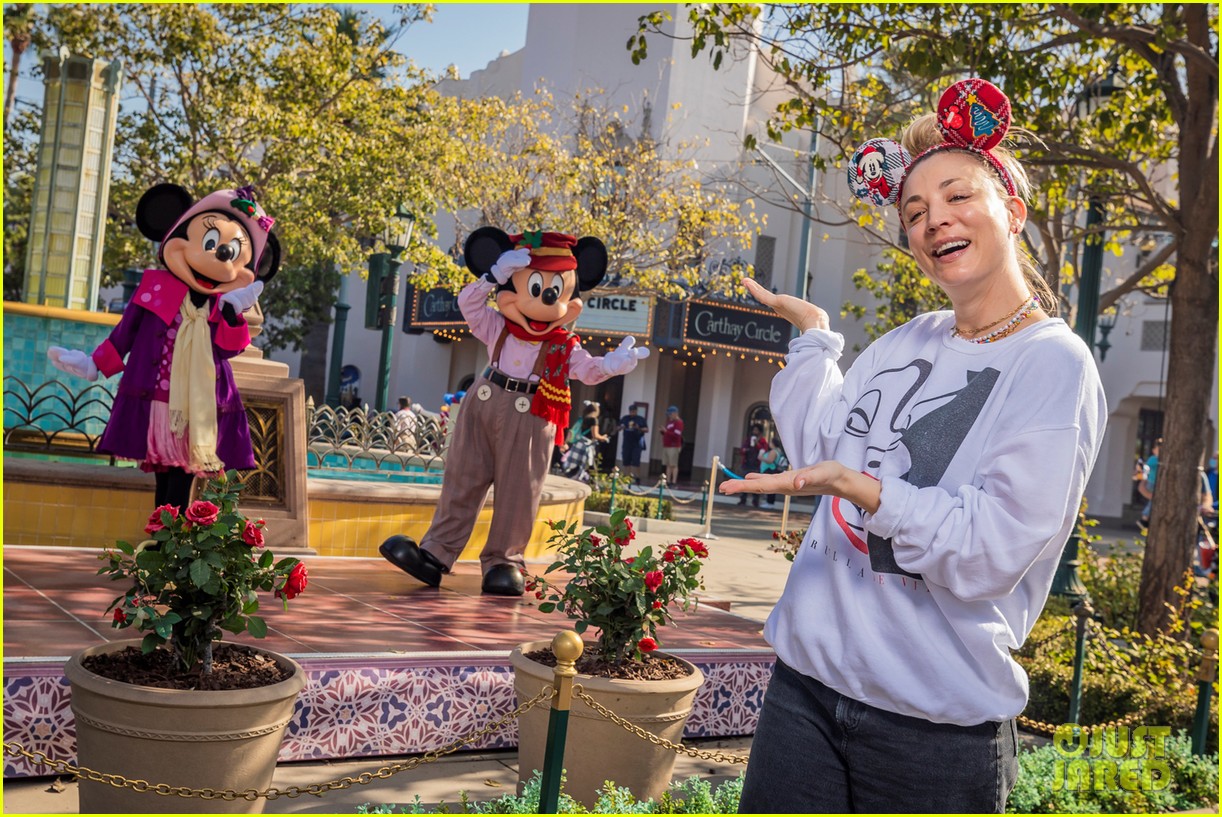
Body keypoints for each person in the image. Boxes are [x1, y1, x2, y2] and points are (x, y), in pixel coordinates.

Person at [720, 78, 1107, 812]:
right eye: (916, 212)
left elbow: (991, 548)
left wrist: (871, 492)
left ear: (1012, 212)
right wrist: (813, 342)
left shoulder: (1053, 363)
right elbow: (825, 450)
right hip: (804, 693)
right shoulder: (906, 342)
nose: (935, 222)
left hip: (933, 733)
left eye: (958, 197)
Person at [379, 227, 648, 596]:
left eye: (554, 292)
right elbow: (468, 305)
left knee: (520, 491)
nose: (543, 301)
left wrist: (613, 364)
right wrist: (493, 276)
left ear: (570, 301)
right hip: (484, 402)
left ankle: (504, 560)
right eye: (534, 288)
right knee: (462, 478)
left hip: (533, 411)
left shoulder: (564, 346)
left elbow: (586, 369)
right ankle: (435, 554)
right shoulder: (496, 325)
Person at [738, 423, 768, 508]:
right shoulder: (748, 440)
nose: (754, 431)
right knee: (743, 481)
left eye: (756, 430)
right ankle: (743, 499)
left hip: (756, 465)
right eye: (754, 430)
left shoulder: (762, 441)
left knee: (755, 483)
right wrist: (746, 450)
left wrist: (757, 443)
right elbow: (742, 449)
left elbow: (764, 449)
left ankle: (755, 501)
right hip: (747, 463)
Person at [618, 403, 649, 481]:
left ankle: (637, 476)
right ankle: (626, 476)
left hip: (636, 443)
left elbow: (646, 429)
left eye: (634, 411)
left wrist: (639, 428)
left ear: (636, 411)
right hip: (627, 442)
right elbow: (618, 427)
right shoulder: (625, 418)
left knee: (636, 460)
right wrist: (622, 427)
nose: (632, 412)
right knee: (626, 460)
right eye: (631, 411)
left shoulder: (640, 419)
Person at [660, 405, 684, 486]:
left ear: (675, 413)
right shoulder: (670, 422)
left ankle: (673, 481)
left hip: (674, 446)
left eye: (670, 414)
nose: (669, 416)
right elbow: (668, 432)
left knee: (673, 464)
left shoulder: (679, 422)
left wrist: (666, 432)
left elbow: (677, 434)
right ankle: (667, 480)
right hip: (667, 445)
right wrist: (663, 432)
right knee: (668, 464)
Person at [757, 437, 783, 509]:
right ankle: (769, 502)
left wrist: (760, 457)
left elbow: (769, 460)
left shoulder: (773, 451)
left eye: (770, 442)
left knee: (769, 486)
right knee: (771, 486)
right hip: (772, 470)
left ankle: (769, 503)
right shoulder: (778, 451)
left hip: (770, 469)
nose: (769, 444)